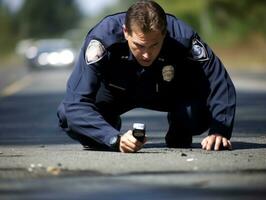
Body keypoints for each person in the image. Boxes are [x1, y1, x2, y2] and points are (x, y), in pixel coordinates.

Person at [57, 0, 236, 153]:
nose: (146, 54)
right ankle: (108, 124)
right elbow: (75, 104)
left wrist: (220, 130)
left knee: (197, 113)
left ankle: (179, 129)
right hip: (114, 93)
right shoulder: (102, 39)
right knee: (66, 115)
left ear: (164, 34)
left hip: (167, 92)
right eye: (139, 45)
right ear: (126, 32)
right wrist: (112, 139)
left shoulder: (183, 37)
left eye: (154, 45)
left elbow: (219, 81)